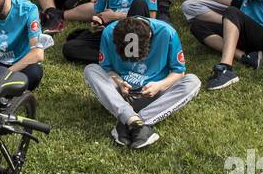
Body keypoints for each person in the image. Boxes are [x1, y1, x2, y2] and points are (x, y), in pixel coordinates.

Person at [85, 13, 200, 150]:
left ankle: (129, 121)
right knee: (91, 70)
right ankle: (135, 122)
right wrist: (120, 82)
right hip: (119, 94)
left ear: (150, 37)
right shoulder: (109, 32)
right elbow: (107, 69)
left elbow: (179, 72)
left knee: (192, 81)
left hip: (154, 95)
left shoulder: (167, 32)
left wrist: (159, 85)